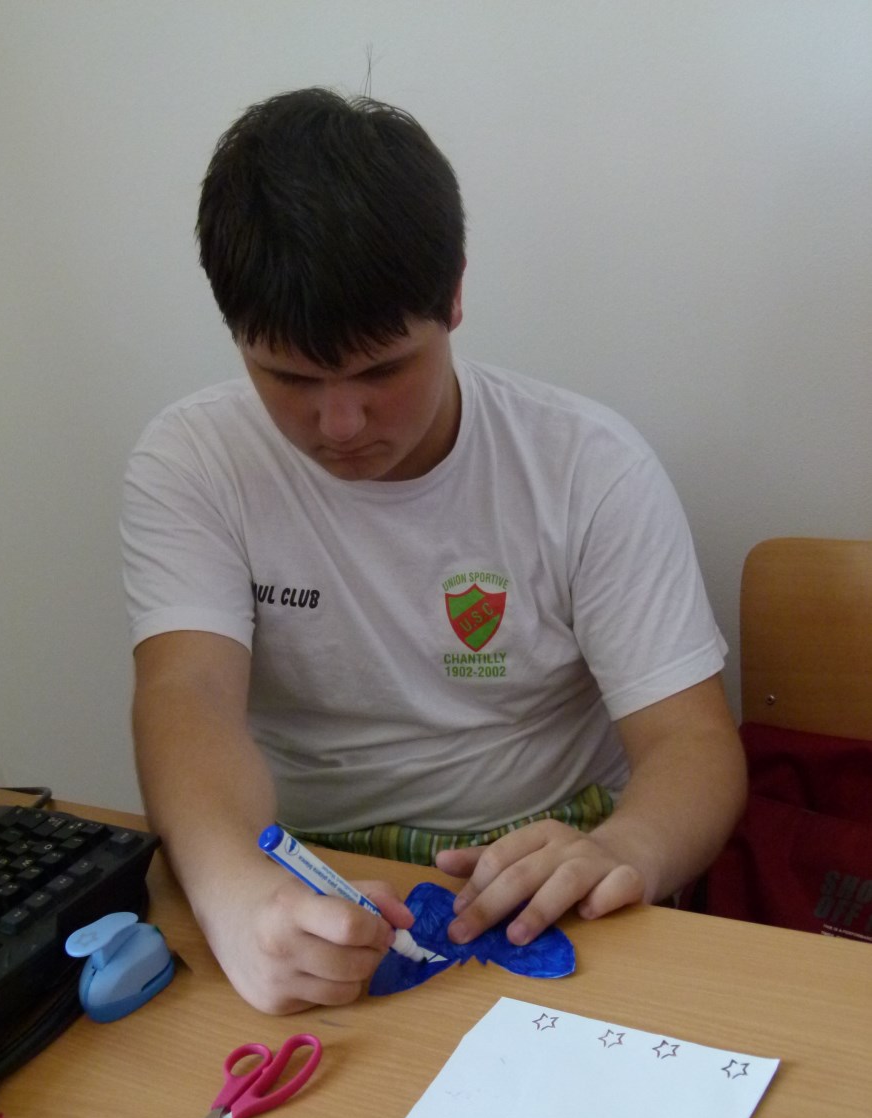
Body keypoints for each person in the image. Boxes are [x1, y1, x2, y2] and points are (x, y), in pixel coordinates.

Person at [122, 87, 746, 1015]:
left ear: (454, 296)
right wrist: (236, 899)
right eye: (288, 377)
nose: (340, 423)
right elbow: (187, 699)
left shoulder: (586, 465)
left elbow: (691, 743)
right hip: (314, 867)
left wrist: (627, 849)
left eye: (383, 369)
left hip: (551, 863)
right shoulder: (194, 460)